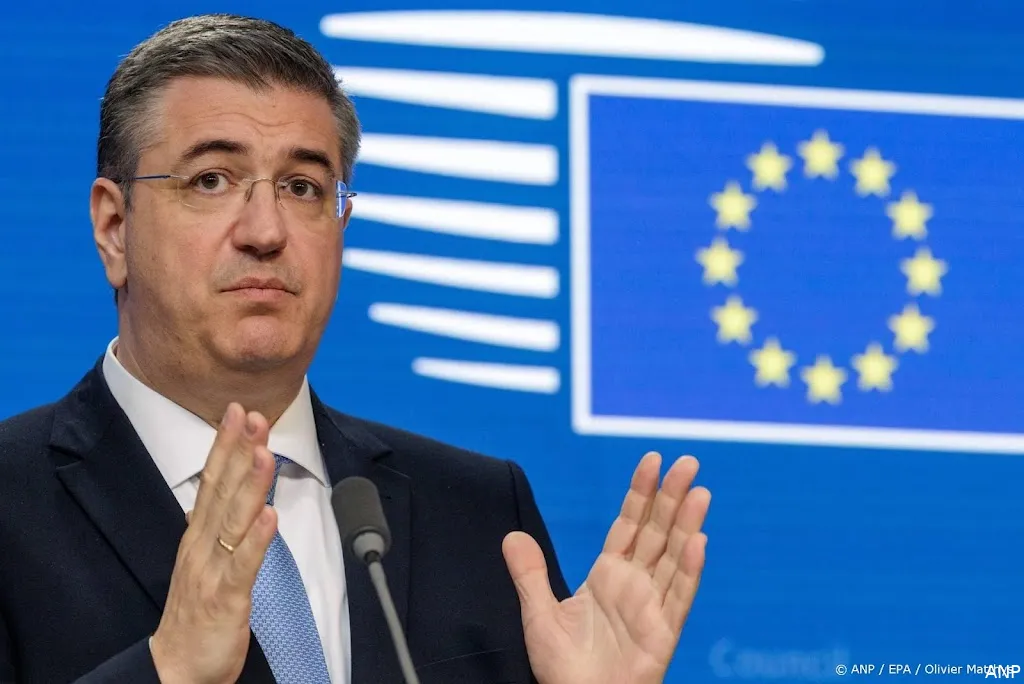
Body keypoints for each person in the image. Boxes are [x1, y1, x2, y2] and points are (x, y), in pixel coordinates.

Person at [0, 13, 711, 684]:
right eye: (212, 180)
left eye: (303, 187)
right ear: (115, 227)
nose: (265, 231)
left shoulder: (482, 515)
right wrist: (169, 669)